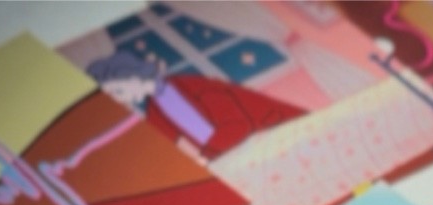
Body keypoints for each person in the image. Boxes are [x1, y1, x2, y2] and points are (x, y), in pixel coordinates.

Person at [86, 51, 304, 163]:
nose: (121, 99)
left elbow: (237, 125)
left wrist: (208, 156)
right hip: (237, 152)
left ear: (131, 76)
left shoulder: (190, 85)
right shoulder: (155, 110)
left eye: (119, 91)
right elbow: (165, 151)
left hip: (276, 130)